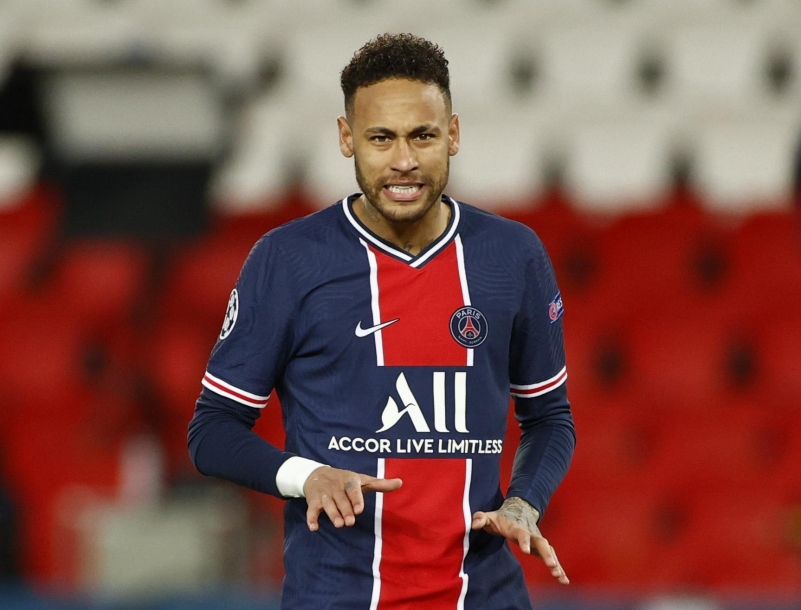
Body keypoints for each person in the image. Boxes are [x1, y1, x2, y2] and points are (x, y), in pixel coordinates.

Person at [189, 33, 576, 609]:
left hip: (485, 595)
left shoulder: (512, 256)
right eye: (381, 138)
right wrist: (306, 476)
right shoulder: (289, 261)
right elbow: (212, 431)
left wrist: (524, 501)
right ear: (347, 138)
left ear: (453, 134)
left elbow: (549, 418)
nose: (403, 161)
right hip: (337, 596)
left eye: (422, 135)